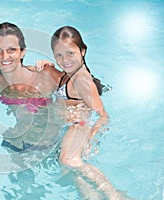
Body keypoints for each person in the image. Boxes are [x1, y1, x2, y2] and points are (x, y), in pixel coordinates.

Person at [38, 26, 131, 199]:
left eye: (70, 53)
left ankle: (115, 195)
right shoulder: (70, 73)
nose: (64, 60)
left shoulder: (82, 80)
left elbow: (103, 115)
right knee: (70, 171)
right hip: (68, 126)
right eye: (58, 55)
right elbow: (62, 81)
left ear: (82, 51)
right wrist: (48, 67)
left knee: (69, 160)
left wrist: (90, 139)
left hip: (78, 126)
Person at [0, 22, 63, 153]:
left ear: (22, 52)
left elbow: (82, 87)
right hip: (18, 144)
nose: (5, 57)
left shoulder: (45, 76)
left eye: (11, 49)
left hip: (54, 145)